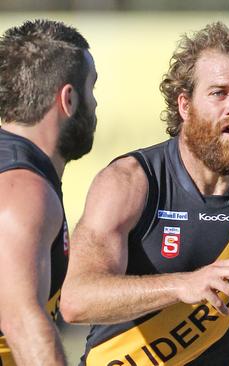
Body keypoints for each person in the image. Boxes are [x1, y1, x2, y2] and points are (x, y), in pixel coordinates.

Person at [59, 22, 229, 365]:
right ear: (185, 105)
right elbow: (76, 300)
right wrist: (181, 286)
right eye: (218, 93)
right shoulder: (131, 181)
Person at [0, 19, 97, 366]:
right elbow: (23, 325)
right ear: (68, 99)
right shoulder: (23, 190)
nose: (95, 104)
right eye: (91, 89)